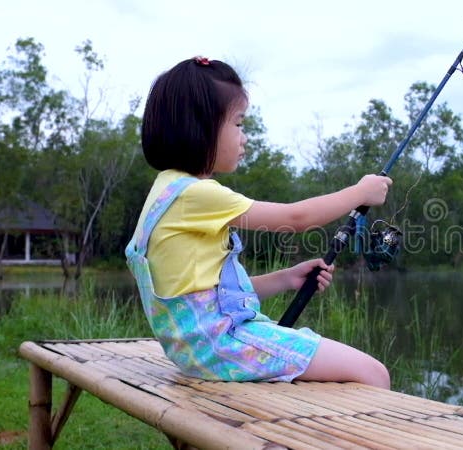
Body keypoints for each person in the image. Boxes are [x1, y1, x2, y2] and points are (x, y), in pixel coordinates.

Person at [125, 56, 391, 389]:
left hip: (199, 352)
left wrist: (286, 278)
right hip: (223, 346)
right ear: (200, 127)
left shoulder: (164, 192)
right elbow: (297, 218)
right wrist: (360, 192)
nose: (244, 137)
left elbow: (207, 298)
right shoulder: (196, 194)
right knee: (373, 374)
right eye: (238, 123)